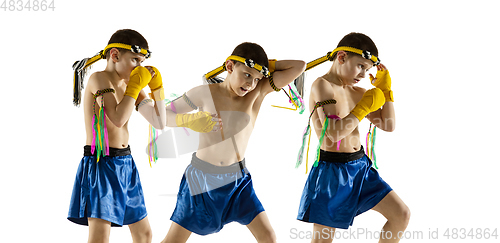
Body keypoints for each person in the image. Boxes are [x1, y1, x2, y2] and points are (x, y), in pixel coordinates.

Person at [160, 42, 306, 243]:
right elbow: (164, 114)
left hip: (238, 180)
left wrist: (263, 67)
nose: (250, 84)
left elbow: (299, 66)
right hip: (200, 180)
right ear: (229, 67)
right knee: (173, 241)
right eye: (246, 74)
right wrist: (189, 121)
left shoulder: (257, 92)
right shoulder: (204, 93)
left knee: (268, 236)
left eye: (256, 78)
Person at [296, 32, 410, 243]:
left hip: (361, 167)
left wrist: (386, 92)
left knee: (401, 214)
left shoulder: (357, 92)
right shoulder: (322, 86)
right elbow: (333, 134)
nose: (364, 74)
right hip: (331, 173)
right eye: (360, 66)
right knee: (323, 240)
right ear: (341, 57)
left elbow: (389, 125)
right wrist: (364, 106)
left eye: (367, 69)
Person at [68, 29, 166, 243]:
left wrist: (157, 90)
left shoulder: (130, 85)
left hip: (126, 164)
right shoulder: (99, 79)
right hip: (101, 163)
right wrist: (136, 86)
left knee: (144, 233)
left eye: (141, 62)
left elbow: (159, 122)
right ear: (114, 55)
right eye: (135, 60)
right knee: (100, 237)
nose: (138, 68)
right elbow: (118, 118)